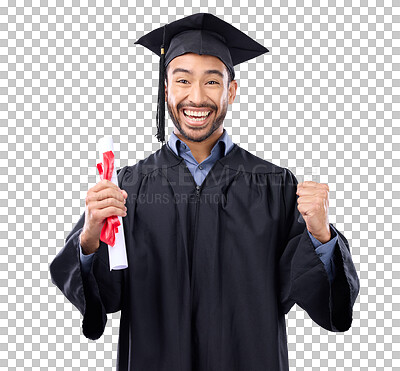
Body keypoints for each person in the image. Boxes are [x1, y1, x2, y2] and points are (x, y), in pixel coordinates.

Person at [50, 13, 360, 371]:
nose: (196, 96)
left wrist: (320, 233)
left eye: (212, 82)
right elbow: (103, 297)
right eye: (182, 80)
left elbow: (323, 300)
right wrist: (90, 238)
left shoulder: (274, 185)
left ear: (231, 90)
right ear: (166, 89)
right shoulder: (128, 188)